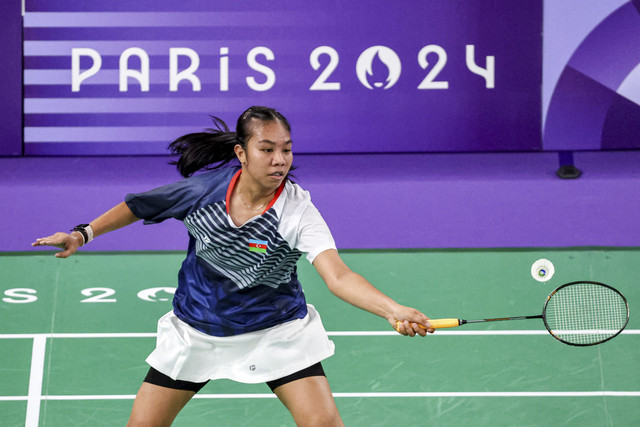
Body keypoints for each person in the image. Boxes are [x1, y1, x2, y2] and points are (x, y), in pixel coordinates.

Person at [32, 106, 434, 426]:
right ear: (241, 153)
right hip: (197, 330)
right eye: (267, 149)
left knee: (323, 424)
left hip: (275, 331)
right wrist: (82, 234)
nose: (280, 161)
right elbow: (138, 206)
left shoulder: (296, 211)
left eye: (287, 149)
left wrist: (394, 310)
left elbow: (338, 276)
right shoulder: (201, 193)